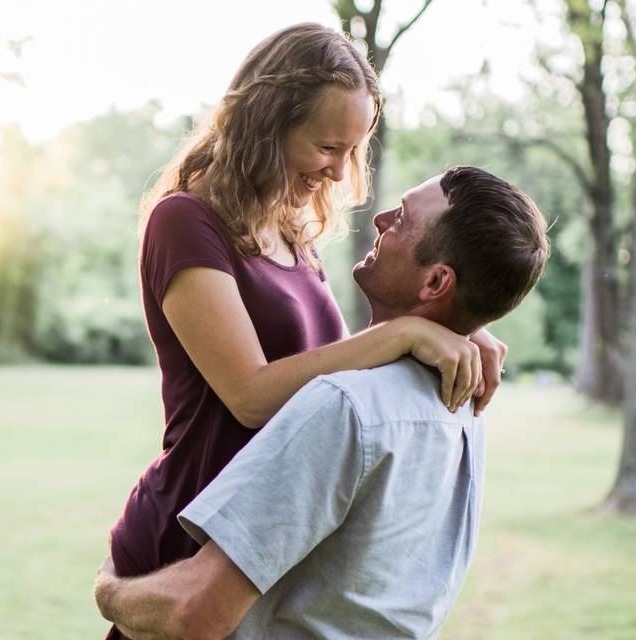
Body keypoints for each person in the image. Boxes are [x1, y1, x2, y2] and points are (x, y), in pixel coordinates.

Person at [107, 23, 507, 633]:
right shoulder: (185, 222)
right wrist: (400, 336)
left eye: (353, 150)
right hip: (193, 532)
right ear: (265, 123)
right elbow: (250, 395)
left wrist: (450, 323)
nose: (341, 171)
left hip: (266, 533)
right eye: (327, 146)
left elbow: (328, 376)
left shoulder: (294, 232)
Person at [95, 166, 551, 640]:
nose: (381, 218)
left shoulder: (344, 408)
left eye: (403, 220)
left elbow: (197, 613)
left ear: (436, 283)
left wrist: (112, 587)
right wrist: (461, 322)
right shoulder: (463, 404)